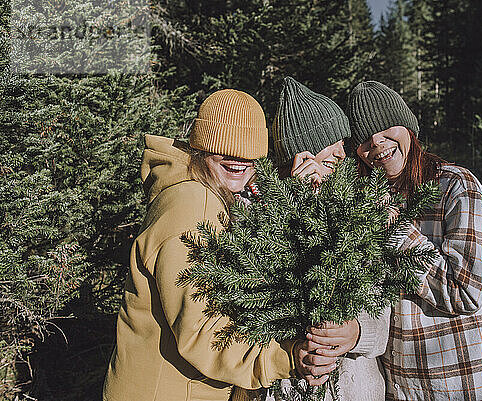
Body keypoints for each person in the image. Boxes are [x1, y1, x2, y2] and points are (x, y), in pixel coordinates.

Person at [102, 89, 335, 401]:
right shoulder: (192, 208)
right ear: (201, 147)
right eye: (223, 147)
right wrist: (286, 357)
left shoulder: (209, 196)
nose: (238, 159)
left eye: (248, 152)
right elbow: (203, 331)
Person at [310, 81, 482, 401]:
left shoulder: (456, 187)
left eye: (384, 128)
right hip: (403, 390)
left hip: (468, 387)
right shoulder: (365, 203)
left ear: (408, 126)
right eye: (364, 138)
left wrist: (395, 228)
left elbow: (463, 291)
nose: (376, 144)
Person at [269, 76, 391, 401]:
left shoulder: (361, 210)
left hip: (357, 390)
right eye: (330, 151)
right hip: (291, 388)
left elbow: (382, 317)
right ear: (302, 158)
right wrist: (294, 203)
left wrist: (357, 333)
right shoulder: (268, 215)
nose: (342, 158)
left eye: (342, 147)